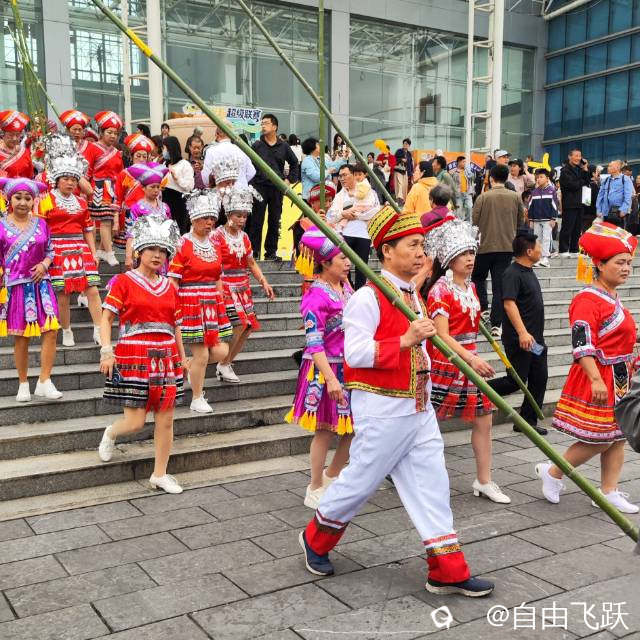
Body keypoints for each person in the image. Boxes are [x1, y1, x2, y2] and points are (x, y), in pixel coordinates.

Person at [298, 205, 494, 596]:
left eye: (422, 245)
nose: (421, 253)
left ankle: (447, 570)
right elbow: (354, 353)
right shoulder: (367, 298)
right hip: (383, 409)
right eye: (413, 246)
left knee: (433, 485)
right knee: (360, 481)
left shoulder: (411, 295)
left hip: (418, 408)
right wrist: (404, 340)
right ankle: (315, 538)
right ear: (387, 251)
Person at [537, 221, 639, 514]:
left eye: (628, 263)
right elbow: (582, 344)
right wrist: (595, 379)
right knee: (598, 439)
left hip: (620, 376)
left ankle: (609, 490)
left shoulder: (612, 296)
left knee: (618, 436)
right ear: (600, 265)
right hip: (600, 374)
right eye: (619, 263)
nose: (626, 268)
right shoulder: (586, 299)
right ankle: (553, 472)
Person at [423, 217, 510, 503]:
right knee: (425, 420)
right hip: (446, 362)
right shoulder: (439, 290)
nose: (470, 259)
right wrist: (470, 359)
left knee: (484, 417)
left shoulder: (470, 288)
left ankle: (484, 479)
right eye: (463, 254)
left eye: (472, 252)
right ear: (450, 258)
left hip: (468, 357)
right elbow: (441, 335)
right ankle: (402, 467)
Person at [98, 214, 186, 494]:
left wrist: (181, 357)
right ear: (139, 251)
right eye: (152, 249)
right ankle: (111, 432)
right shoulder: (124, 281)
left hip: (166, 357)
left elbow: (176, 325)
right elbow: (106, 318)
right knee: (135, 422)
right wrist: (106, 351)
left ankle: (159, 474)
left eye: (162, 251)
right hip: (134, 355)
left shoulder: (170, 287)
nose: (157, 255)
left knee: (166, 419)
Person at [285, 227, 354, 508]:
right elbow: (314, 344)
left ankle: (331, 476)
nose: (348, 262)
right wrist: (330, 379)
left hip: (348, 368)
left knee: (353, 429)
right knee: (325, 430)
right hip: (325, 370)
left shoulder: (347, 288)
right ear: (325, 263)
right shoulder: (315, 295)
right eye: (342, 258)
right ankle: (314, 485)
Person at [169, 190, 231, 414]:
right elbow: (173, 280)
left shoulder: (214, 243)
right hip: (190, 303)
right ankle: (197, 397)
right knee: (202, 354)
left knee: (222, 351)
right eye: (205, 218)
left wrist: (221, 298)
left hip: (212, 304)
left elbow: (217, 276)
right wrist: (173, 307)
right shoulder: (182, 244)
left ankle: (192, 368)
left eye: (212, 218)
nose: (210, 223)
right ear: (194, 219)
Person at [0, 177, 61, 402]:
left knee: (51, 331)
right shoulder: (1, 226)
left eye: (28, 198)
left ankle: (45, 380)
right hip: (15, 287)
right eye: (18, 197)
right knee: (21, 337)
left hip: (41, 285)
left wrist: (44, 264)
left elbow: (50, 250)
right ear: (9, 199)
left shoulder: (42, 224)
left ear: (34, 201)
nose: (23, 202)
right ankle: (23, 383)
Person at [40, 137, 102, 348]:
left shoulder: (81, 202)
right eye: (66, 179)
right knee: (63, 294)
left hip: (80, 248)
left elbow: (88, 229)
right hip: (56, 249)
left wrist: (93, 252)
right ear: (57, 180)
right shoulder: (46, 200)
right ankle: (66, 330)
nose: (70, 183)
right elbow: (41, 229)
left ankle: (99, 328)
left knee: (92, 289)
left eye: (74, 179)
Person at [488, 229, 549, 436]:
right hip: (520, 340)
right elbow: (509, 304)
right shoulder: (512, 273)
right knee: (515, 381)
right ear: (529, 251)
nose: (541, 250)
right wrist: (522, 333)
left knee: (539, 377)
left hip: (535, 342)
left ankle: (527, 422)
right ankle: (478, 391)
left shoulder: (528, 271)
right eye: (538, 246)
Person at [213, 184, 275, 382]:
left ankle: (226, 362)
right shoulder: (217, 236)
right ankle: (223, 363)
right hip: (225, 286)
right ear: (228, 214)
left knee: (247, 328)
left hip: (243, 286)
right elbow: (214, 264)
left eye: (245, 216)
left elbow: (251, 262)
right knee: (239, 324)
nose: (241, 220)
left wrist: (264, 281)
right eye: (238, 215)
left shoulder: (245, 237)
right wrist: (218, 287)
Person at [472, 164, 525, 337]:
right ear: (506, 178)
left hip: (484, 246)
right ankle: (497, 323)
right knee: (499, 285)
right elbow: (520, 221)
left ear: (491, 178)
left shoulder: (483, 197)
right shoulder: (515, 197)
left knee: (478, 278)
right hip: (506, 247)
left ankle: (483, 309)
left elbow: (475, 222)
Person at [249, 114, 300, 260]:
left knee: (274, 220)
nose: (263, 126)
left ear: (274, 127)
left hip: (276, 188)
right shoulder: (257, 145)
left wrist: (289, 180)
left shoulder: (283, 146)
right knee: (256, 220)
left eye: (266, 123)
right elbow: (248, 165)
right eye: (262, 123)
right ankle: (254, 252)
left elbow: (295, 163)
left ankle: (271, 252)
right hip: (259, 187)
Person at [326, 164, 379, 290]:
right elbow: (330, 216)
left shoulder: (370, 192)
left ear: (354, 175)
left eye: (345, 175)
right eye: (340, 176)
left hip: (364, 235)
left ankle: (360, 293)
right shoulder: (339, 196)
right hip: (344, 235)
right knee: (344, 268)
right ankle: (347, 292)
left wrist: (355, 215)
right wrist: (343, 214)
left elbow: (375, 210)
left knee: (362, 269)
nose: (342, 178)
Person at [89, 111, 124, 267]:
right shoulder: (92, 148)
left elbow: (120, 173)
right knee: (104, 220)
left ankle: (103, 250)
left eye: (115, 133)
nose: (112, 136)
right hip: (97, 187)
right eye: (109, 132)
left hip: (112, 188)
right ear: (101, 132)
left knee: (108, 220)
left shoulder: (117, 152)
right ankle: (108, 252)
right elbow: (88, 170)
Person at [124, 163, 171, 270]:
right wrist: (128, 256)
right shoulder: (136, 208)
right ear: (143, 188)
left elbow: (171, 232)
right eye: (152, 187)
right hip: (144, 252)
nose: (156, 190)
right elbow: (131, 234)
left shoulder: (165, 208)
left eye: (158, 187)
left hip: (163, 252)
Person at [113, 133, 154, 252]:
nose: (141, 159)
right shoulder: (124, 174)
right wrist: (115, 221)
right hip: (129, 215)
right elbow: (118, 198)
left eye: (144, 156)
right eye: (138, 156)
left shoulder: (152, 174)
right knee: (130, 249)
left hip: (147, 214)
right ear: (132, 156)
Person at [201, 122, 255, 190]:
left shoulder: (211, 151)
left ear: (217, 134)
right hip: (241, 191)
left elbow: (206, 178)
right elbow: (251, 172)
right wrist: (241, 181)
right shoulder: (241, 150)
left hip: (221, 191)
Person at [58, 109, 98, 198]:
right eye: (74, 129)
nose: (77, 132)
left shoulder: (91, 147)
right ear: (67, 130)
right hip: (65, 187)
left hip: (85, 189)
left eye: (80, 130)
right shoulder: (60, 145)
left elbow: (95, 171)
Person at [559, 149, 590, 256]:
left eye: (579, 156)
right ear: (570, 157)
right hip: (569, 203)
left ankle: (574, 249)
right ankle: (563, 249)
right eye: (576, 156)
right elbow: (572, 185)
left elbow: (587, 181)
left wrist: (585, 169)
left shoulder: (579, 169)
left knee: (577, 228)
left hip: (580, 203)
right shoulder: (565, 170)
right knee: (567, 227)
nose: (578, 158)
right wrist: (582, 181)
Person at [162, 136, 194, 235]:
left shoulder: (184, 164)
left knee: (179, 231)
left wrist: (177, 179)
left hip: (179, 203)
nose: (163, 151)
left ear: (170, 148)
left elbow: (189, 186)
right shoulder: (164, 163)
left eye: (164, 148)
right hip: (165, 201)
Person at [527, 168, 559, 268]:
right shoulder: (534, 192)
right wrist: (531, 219)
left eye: (541, 177)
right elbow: (530, 206)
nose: (539, 179)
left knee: (546, 238)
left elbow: (555, 205)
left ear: (547, 179)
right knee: (537, 239)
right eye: (537, 177)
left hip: (548, 220)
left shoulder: (552, 191)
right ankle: (538, 258)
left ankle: (545, 258)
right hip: (536, 220)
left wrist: (553, 218)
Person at [300, 137, 343, 202]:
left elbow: (334, 166)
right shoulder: (307, 161)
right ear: (312, 147)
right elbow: (316, 177)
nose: (320, 146)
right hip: (311, 198)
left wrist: (344, 158)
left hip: (321, 195)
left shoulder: (320, 159)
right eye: (318, 145)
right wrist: (328, 171)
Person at [596, 160, 634, 230]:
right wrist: (598, 209)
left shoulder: (625, 179)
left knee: (617, 234)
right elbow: (600, 196)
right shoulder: (606, 180)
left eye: (610, 166)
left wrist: (624, 210)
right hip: (605, 213)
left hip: (618, 213)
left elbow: (628, 196)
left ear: (617, 168)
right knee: (607, 233)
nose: (608, 167)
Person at [0, 110, 33, 179]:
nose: (14, 138)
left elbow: (30, 176)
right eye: (10, 135)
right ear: (3, 135)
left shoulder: (25, 152)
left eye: (17, 135)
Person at [449, 156, 474, 221]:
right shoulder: (453, 172)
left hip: (467, 193)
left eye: (465, 162)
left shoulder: (467, 171)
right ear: (459, 162)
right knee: (459, 211)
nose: (465, 163)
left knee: (469, 207)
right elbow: (451, 183)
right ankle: (459, 224)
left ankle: (468, 223)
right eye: (463, 162)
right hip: (458, 194)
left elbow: (471, 179)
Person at [393, 138, 414, 204]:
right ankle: (399, 198)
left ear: (409, 145)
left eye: (407, 144)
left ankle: (403, 200)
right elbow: (394, 159)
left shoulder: (409, 154)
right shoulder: (399, 151)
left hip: (405, 171)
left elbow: (410, 164)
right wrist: (401, 159)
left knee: (405, 185)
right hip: (398, 170)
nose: (405, 145)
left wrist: (411, 173)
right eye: (404, 143)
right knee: (400, 185)